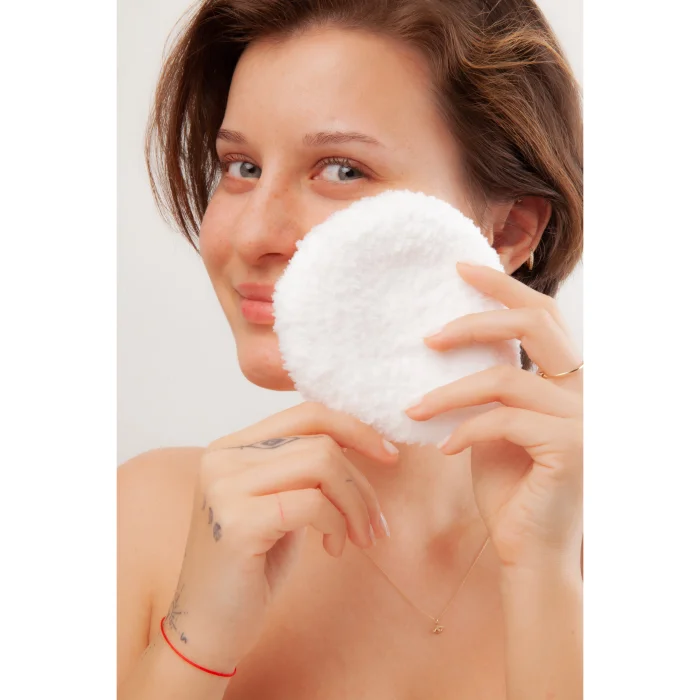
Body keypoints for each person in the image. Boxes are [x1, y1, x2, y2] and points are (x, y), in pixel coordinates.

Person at [117, 0, 583, 698]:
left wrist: (545, 575)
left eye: (340, 170)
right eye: (241, 166)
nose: (251, 235)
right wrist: (196, 644)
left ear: (510, 228)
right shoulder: (142, 519)